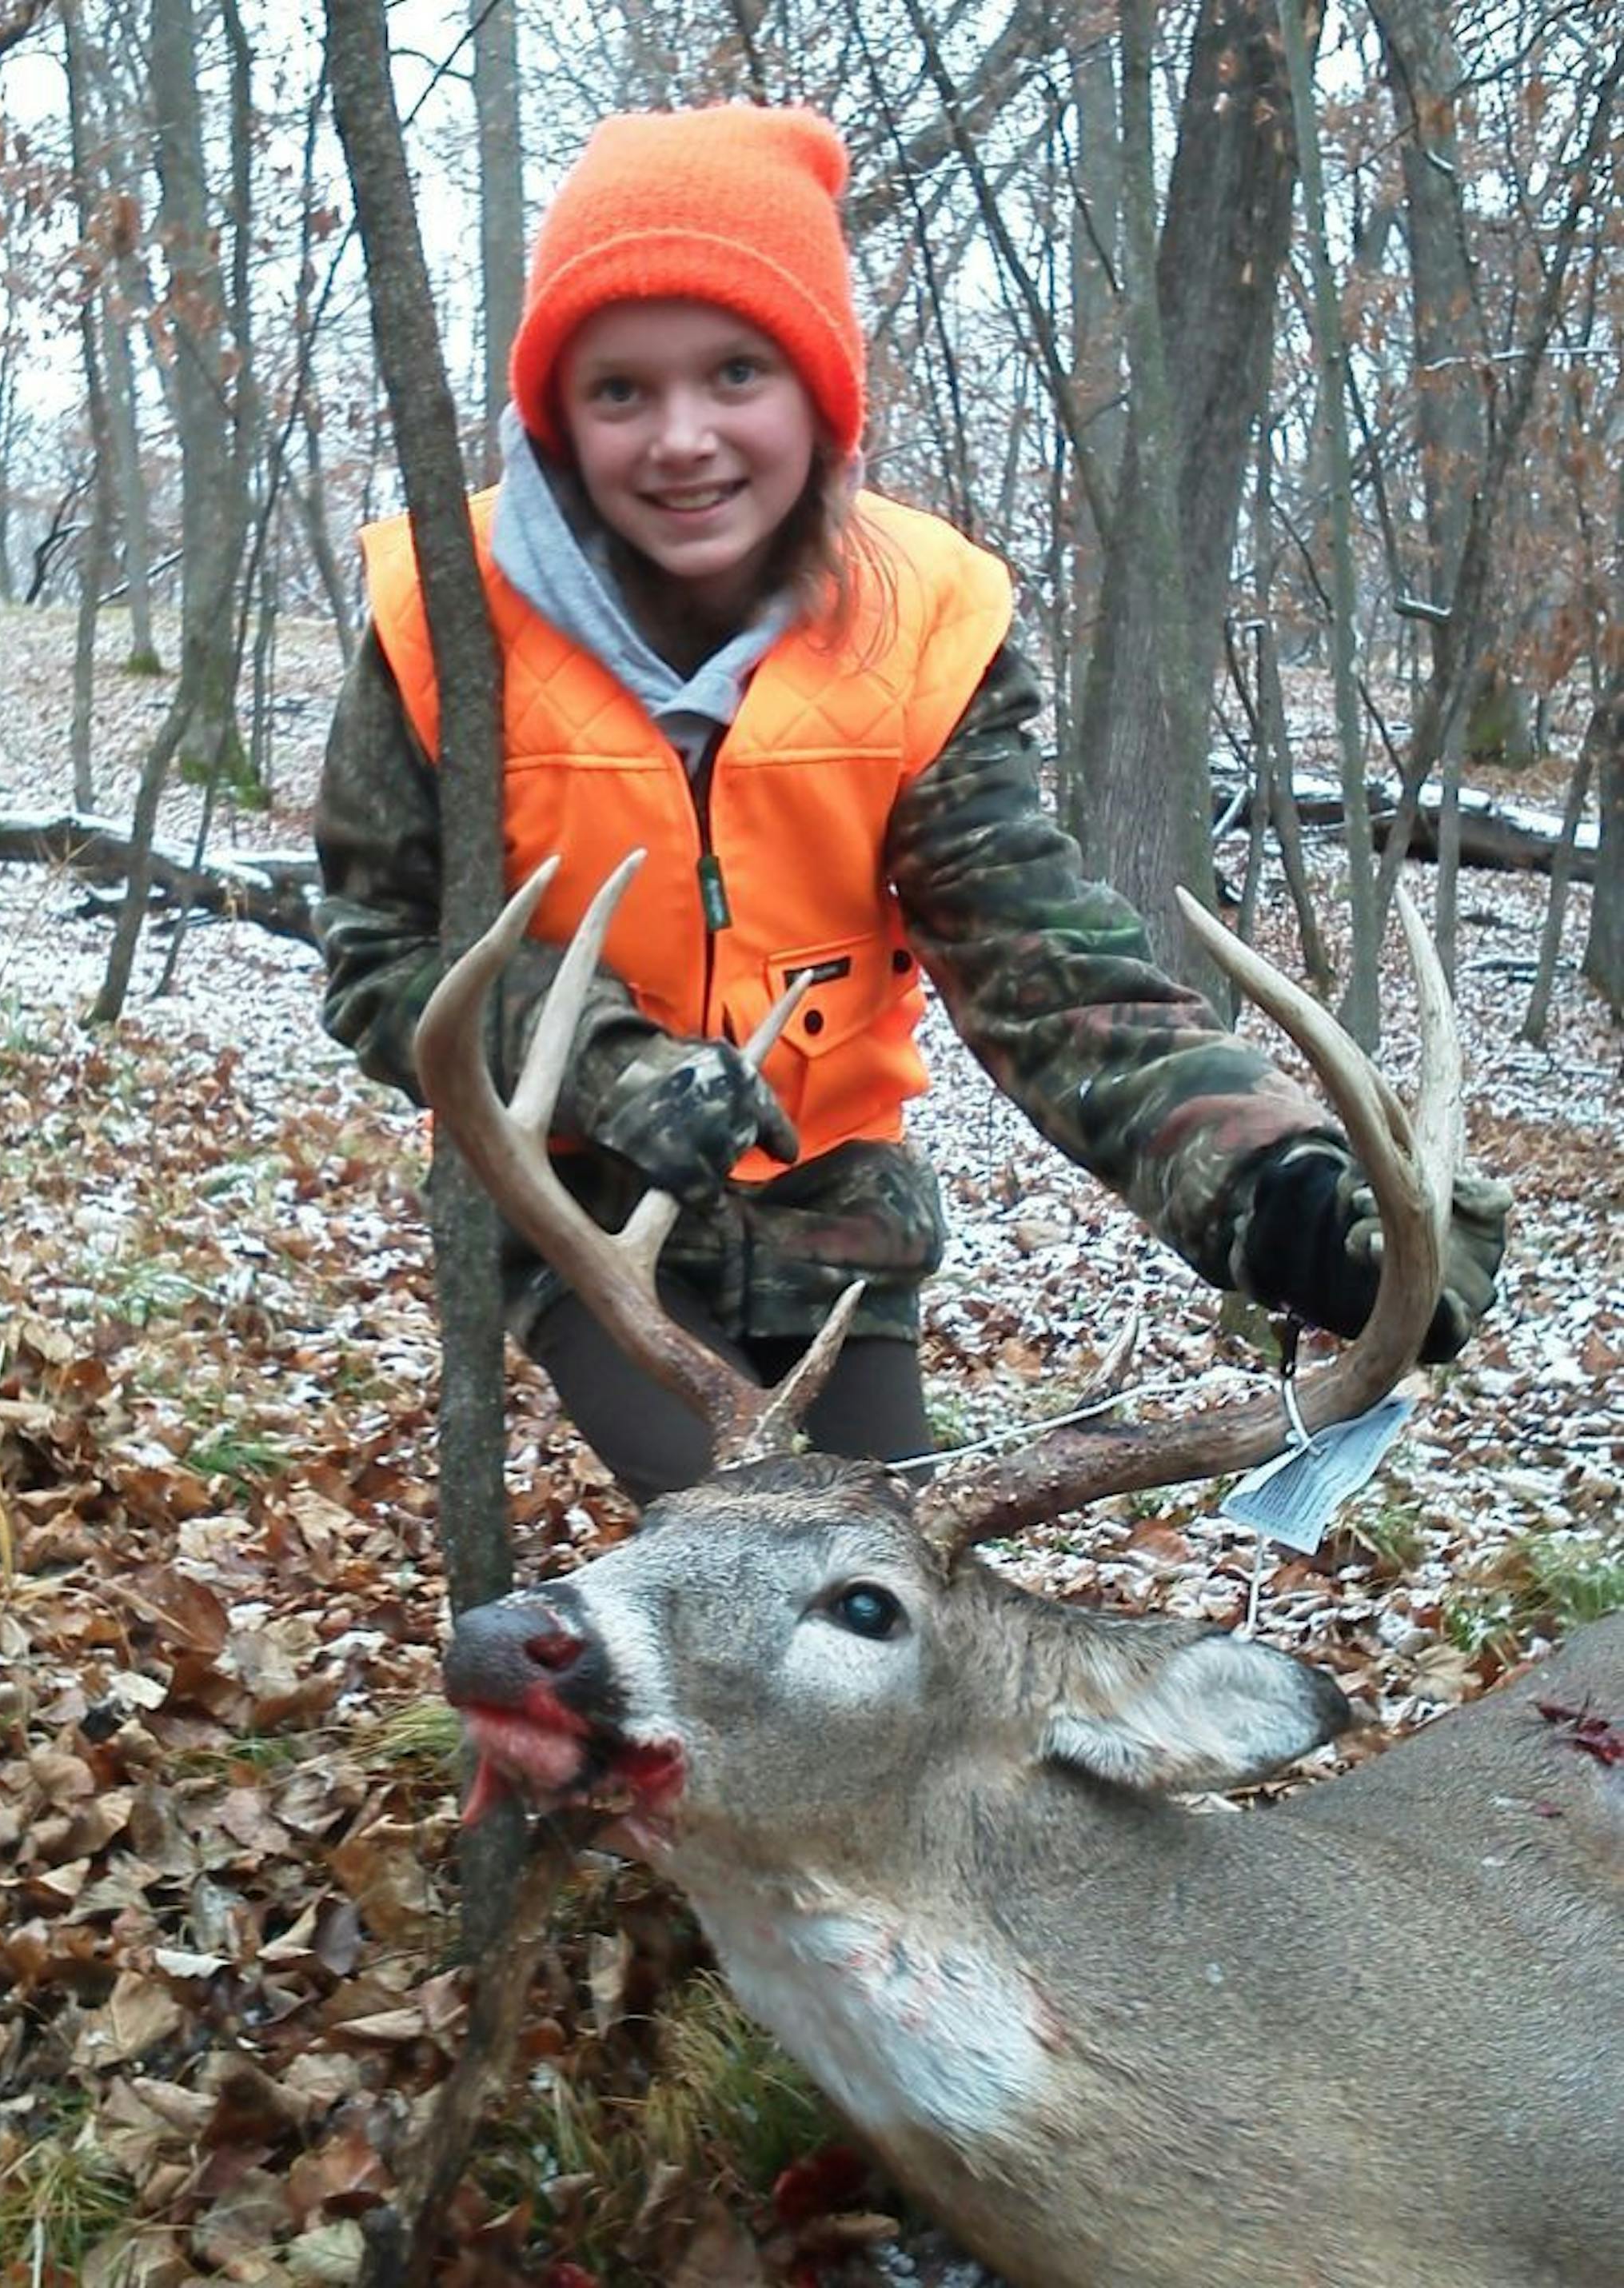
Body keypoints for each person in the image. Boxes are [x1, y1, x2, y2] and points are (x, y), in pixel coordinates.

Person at [313, 104, 1508, 1506]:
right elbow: (381, 952)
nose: (682, 438)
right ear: (555, 415)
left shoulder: (917, 631)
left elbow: (1054, 981)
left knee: (908, 1563)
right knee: (768, 1542)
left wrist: (1289, 1198)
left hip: (840, 1216)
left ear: (819, 391)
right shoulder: (447, 624)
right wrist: (611, 1066)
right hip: (575, 1210)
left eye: (736, 372)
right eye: (619, 389)